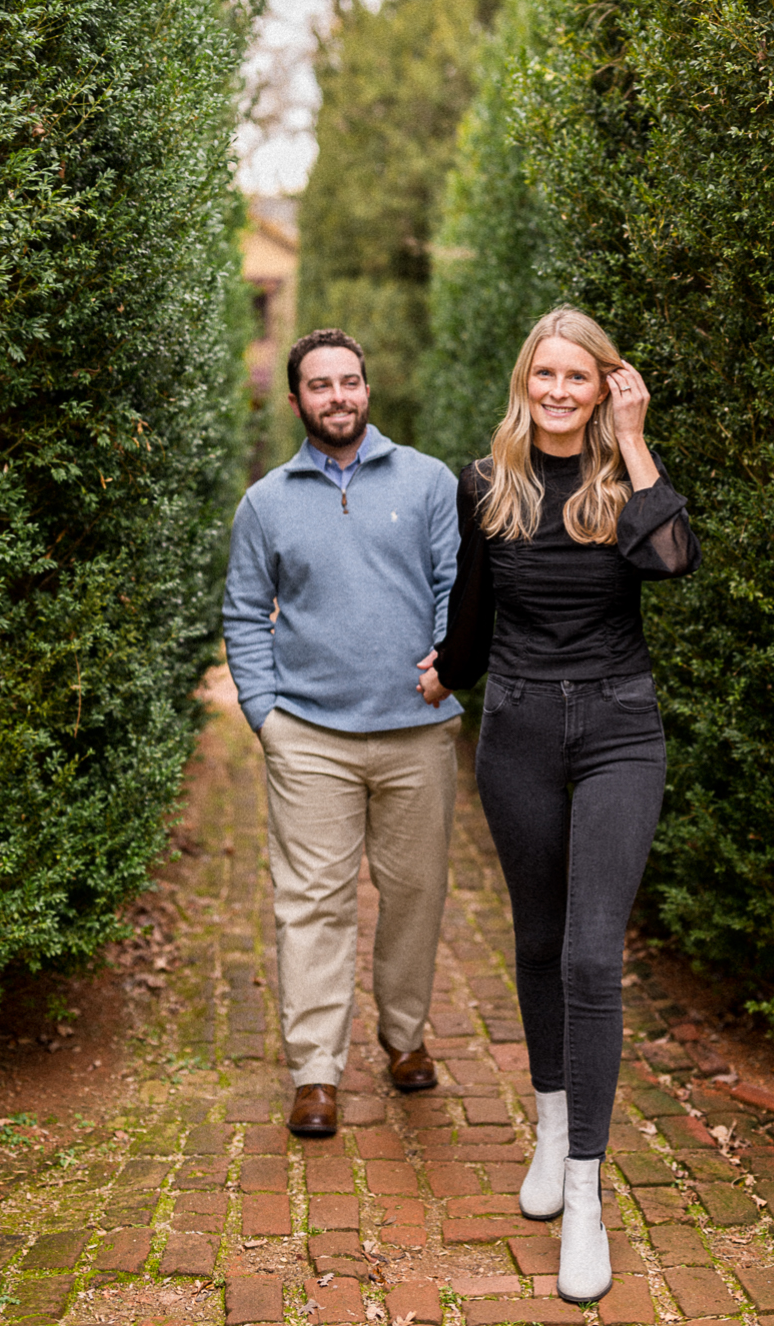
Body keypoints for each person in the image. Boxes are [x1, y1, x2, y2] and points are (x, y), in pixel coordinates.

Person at [418, 306, 700, 1303]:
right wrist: (449, 673)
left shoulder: (627, 481)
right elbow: (477, 608)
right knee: (536, 944)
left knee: (590, 955)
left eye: (578, 377)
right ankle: (549, 1127)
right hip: (521, 733)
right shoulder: (488, 483)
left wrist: (633, 440)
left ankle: (584, 1192)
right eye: (545, 374)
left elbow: (672, 562)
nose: (557, 391)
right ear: (523, 379)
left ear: (605, 385)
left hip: (621, 730)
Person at [223, 328, 463, 1138]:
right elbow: (245, 615)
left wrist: (445, 666)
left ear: (369, 390)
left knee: (416, 895)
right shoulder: (266, 502)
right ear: (296, 401)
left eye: (350, 382)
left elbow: (453, 585)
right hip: (310, 736)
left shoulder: (429, 482)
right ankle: (315, 1072)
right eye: (320, 385)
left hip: (418, 730)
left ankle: (404, 1038)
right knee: (311, 905)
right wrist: (267, 717)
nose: (338, 397)